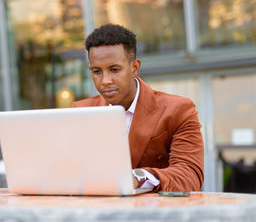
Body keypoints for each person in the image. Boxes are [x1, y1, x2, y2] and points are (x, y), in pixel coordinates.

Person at [72, 24, 204, 192]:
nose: (105, 80)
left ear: (134, 68)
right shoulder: (80, 111)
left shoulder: (178, 110)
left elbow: (189, 177)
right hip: (99, 212)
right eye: (97, 71)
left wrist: (138, 177)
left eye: (114, 69)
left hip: (157, 214)